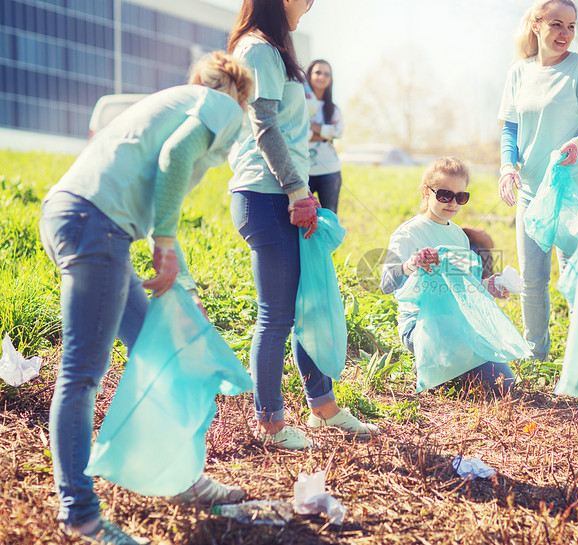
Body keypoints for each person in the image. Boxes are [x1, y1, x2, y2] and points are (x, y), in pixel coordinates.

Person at [39, 51, 253, 545]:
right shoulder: (220, 106)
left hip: (77, 219)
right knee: (81, 375)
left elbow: (154, 187)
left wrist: (180, 281)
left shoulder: (172, 100)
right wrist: (166, 241)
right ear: (237, 93)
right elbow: (175, 159)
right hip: (95, 226)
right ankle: (80, 514)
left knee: (161, 353)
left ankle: (181, 479)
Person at [227, 0, 378, 451]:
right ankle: (270, 423)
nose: (311, 4)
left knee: (306, 304)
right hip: (267, 195)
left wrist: (300, 190)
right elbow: (265, 127)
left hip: (283, 194)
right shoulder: (256, 49)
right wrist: (298, 191)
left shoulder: (274, 49)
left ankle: (323, 407)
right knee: (275, 316)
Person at [497, 0, 578, 362]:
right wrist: (507, 167)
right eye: (557, 25)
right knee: (532, 280)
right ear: (536, 25)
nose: (565, 33)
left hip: (573, 191)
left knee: (576, 280)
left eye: (571, 26)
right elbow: (510, 129)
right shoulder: (519, 72)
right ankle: (537, 354)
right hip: (532, 191)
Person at [380, 157, 515, 395]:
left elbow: (464, 286)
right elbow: (386, 284)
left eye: (460, 196)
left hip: (458, 323)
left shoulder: (459, 236)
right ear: (426, 192)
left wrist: (489, 286)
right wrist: (411, 264)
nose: (452, 203)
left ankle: (442, 364)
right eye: (444, 195)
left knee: (503, 383)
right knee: (471, 369)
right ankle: (431, 362)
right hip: (419, 324)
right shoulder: (408, 233)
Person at [306, 59, 345, 213]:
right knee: (301, 220)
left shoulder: (333, 109)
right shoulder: (300, 105)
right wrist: (325, 133)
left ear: (330, 80)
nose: (322, 77)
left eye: (326, 74)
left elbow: (338, 132)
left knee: (329, 218)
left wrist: (312, 127)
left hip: (330, 171)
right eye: (318, 72)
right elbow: (298, 132)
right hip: (303, 172)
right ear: (309, 75)